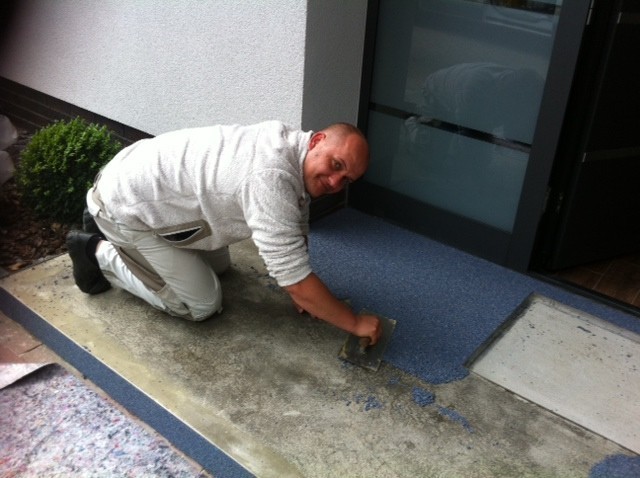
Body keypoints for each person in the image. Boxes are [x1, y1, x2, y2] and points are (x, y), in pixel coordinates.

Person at [66, 120, 382, 346]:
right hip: (123, 204)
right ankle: (96, 250)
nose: (335, 182)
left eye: (346, 180)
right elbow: (295, 279)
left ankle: (134, 245)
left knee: (220, 268)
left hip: (147, 185)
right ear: (317, 141)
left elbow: (295, 220)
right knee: (201, 304)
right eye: (336, 164)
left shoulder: (290, 147)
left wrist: (305, 294)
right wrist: (353, 322)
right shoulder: (270, 176)